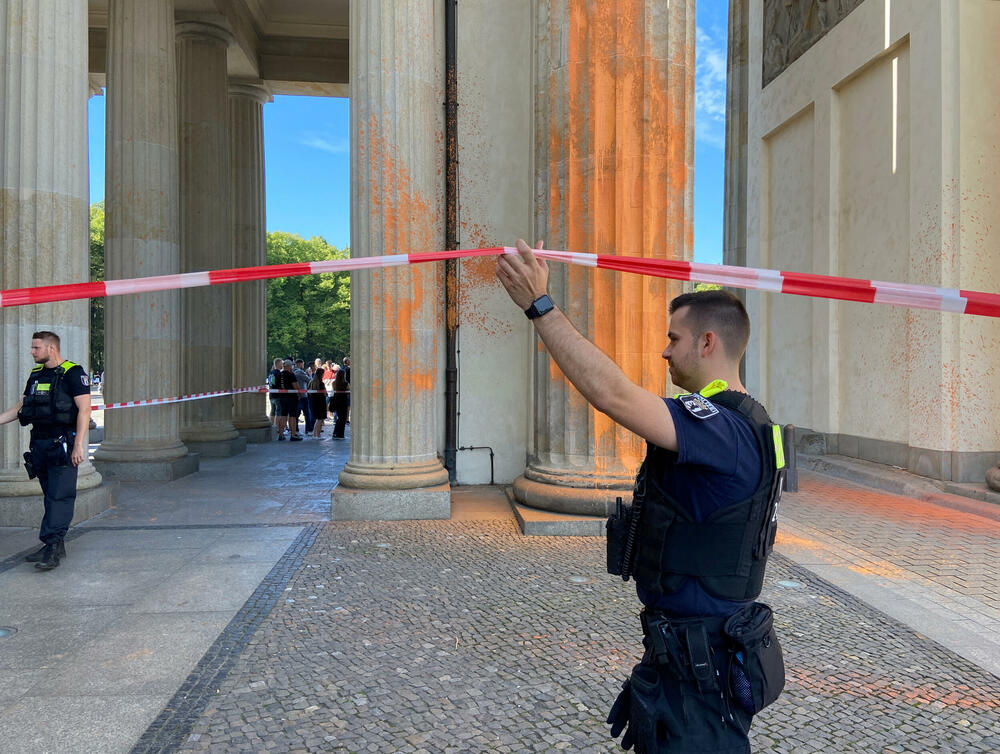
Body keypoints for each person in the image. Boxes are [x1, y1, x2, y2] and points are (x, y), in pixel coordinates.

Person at [496, 240, 786, 754]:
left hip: (704, 665)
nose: (665, 350)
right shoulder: (741, 422)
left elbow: (614, 395)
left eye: (674, 338)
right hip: (686, 655)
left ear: (707, 342)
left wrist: (540, 306)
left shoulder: (723, 428)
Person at [0, 331, 92, 571]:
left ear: (51, 349)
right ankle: (55, 544)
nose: (32, 352)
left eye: (36, 348)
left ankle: (51, 547)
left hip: (63, 444)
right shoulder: (35, 374)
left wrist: (79, 445)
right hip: (39, 444)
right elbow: (21, 407)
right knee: (51, 495)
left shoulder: (73, 372)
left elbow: (84, 410)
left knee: (59, 496)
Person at [274, 360, 303, 441]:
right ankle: (293, 434)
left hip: (282, 397)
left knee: (283, 415)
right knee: (292, 416)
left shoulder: (279, 374)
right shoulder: (291, 374)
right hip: (292, 398)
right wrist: (300, 394)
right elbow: (296, 386)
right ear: (289, 366)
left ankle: (281, 434)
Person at [329, 368, 350, 439]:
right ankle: (340, 434)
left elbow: (334, 390)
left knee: (339, 418)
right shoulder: (345, 383)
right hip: (343, 401)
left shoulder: (334, 383)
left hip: (336, 400)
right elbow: (348, 390)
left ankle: (335, 433)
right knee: (343, 418)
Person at [308, 367, 328, 438]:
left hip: (314, 402)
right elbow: (325, 394)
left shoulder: (311, 382)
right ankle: (318, 435)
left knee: (317, 419)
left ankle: (314, 434)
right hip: (321, 403)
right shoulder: (321, 383)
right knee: (320, 420)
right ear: (321, 374)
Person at [294, 359, 312, 434]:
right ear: (300, 364)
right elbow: (309, 380)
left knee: (296, 414)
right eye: (303, 364)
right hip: (303, 395)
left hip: (296, 395)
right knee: (307, 414)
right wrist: (310, 374)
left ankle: (296, 429)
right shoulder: (300, 372)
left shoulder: (293, 371)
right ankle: (308, 429)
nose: (303, 365)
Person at [267, 357, 283, 426]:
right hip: (278, 395)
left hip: (271, 395)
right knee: (278, 412)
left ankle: (271, 426)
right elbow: (281, 384)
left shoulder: (271, 373)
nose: (282, 364)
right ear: (278, 364)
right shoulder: (279, 373)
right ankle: (276, 427)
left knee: (272, 411)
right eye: (282, 363)